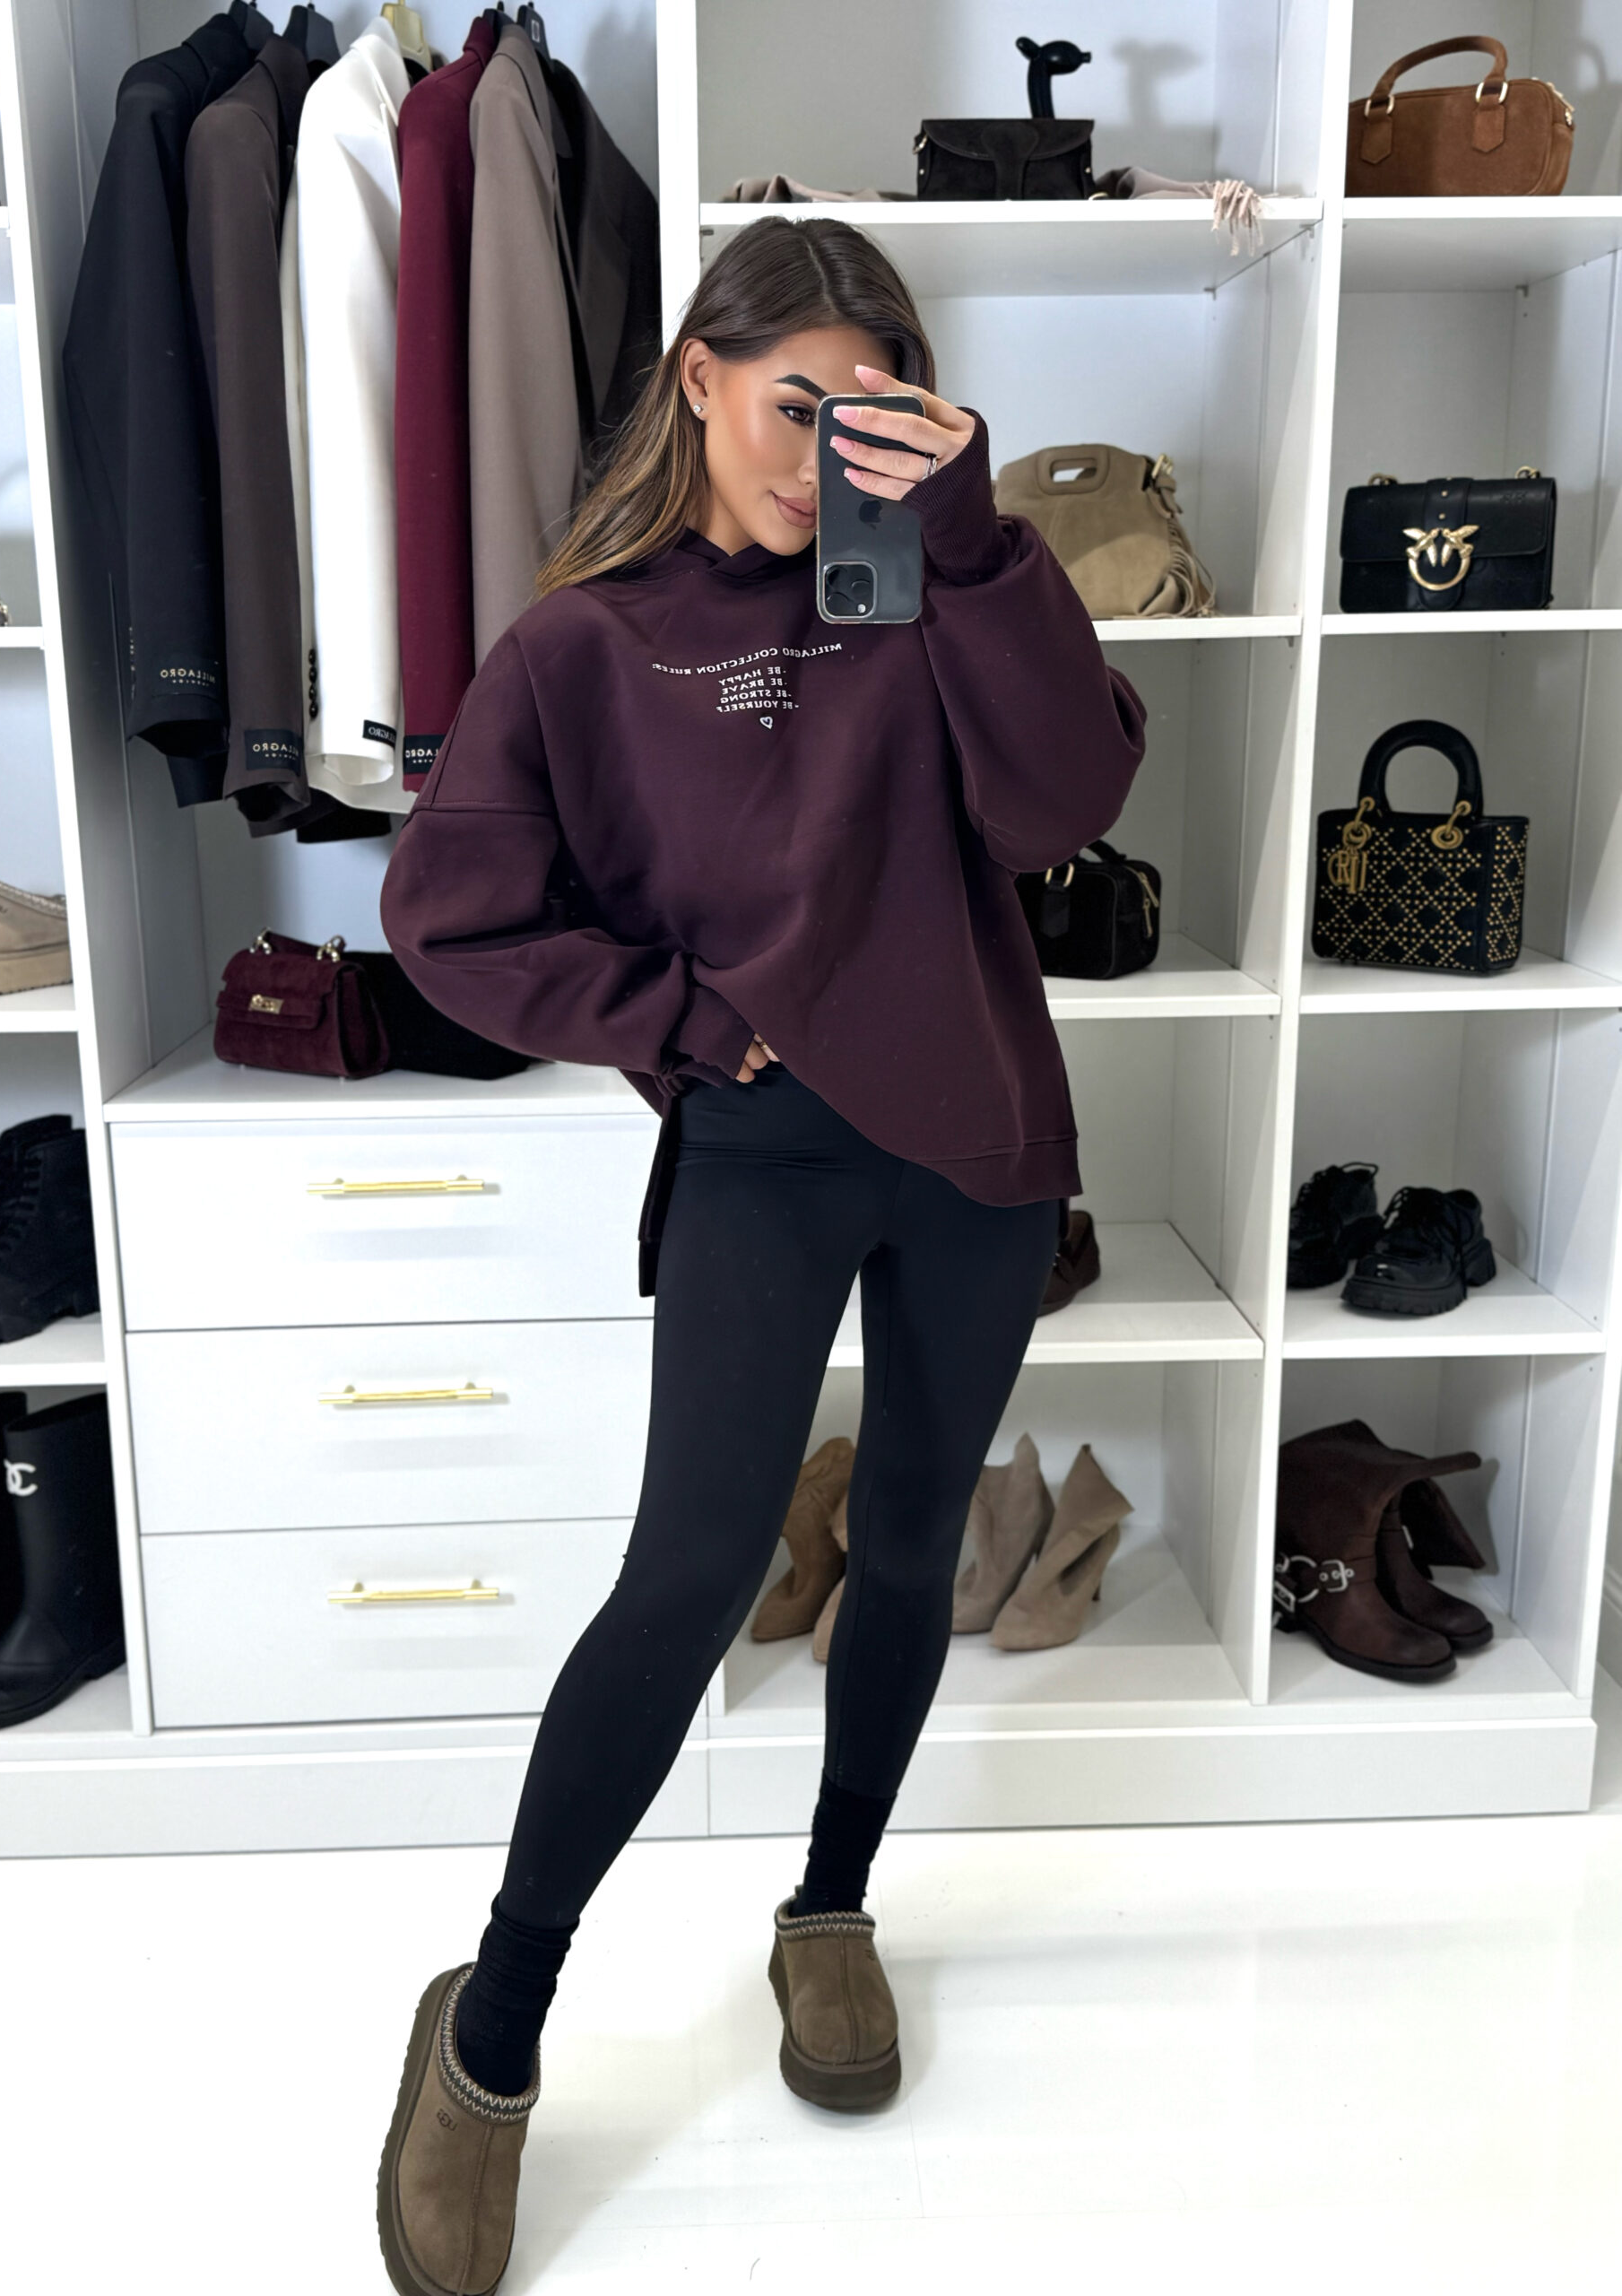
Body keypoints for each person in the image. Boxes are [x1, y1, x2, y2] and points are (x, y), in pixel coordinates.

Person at [374, 214, 1146, 2296]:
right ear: (698, 380)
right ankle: (493, 2027)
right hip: (762, 1150)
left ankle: (829, 1906)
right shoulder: (588, 645)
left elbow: (1068, 800)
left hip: (979, 1146)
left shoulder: (952, 588)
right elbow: (447, 916)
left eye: (872, 412)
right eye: (794, 402)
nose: (825, 452)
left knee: (911, 1543)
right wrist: (683, 1022)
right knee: (693, 1573)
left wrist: (972, 539)